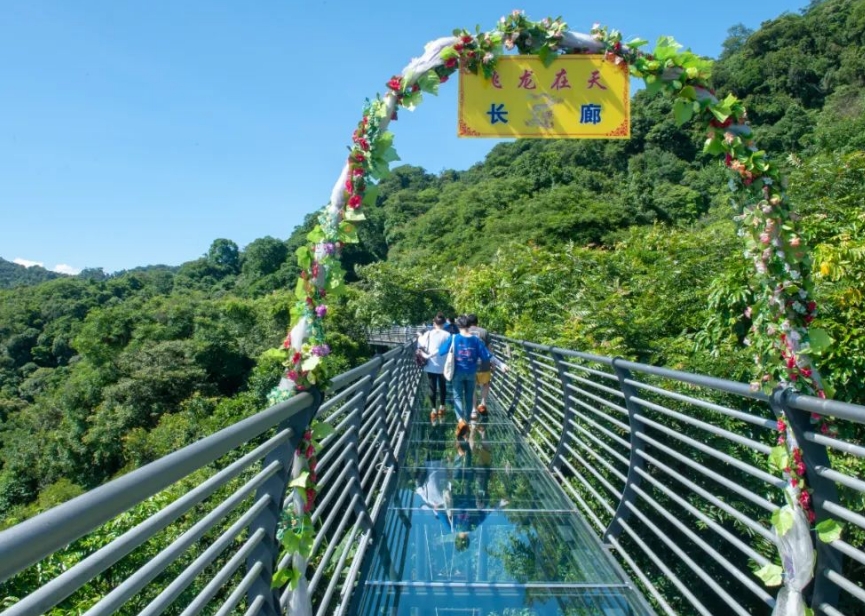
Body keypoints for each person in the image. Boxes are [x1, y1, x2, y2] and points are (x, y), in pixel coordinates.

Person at [439, 315, 508, 433]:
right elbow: (487, 355)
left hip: (457, 373)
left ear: (458, 325)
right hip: (471, 372)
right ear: (468, 325)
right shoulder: (476, 340)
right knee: (469, 397)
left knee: (457, 396)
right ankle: (466, 420)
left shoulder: (454, 337)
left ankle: (461, 421)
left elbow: (441, 351)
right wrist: (501, 364)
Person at [417, 313, 451, 421]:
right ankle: (442, 407)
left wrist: (419, 336)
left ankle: (433, 410)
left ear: (434, 323)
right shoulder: (447, 335)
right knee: (442, 385)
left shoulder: (428, 333)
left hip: (431, 364)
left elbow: (420, 345)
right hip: (443, 365)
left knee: (432, 386)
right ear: (444, 323)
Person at [466, 314, 494, 417]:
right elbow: (490, 348)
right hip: (484, 363)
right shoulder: (484, 332)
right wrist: (492, 362)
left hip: (470, 364)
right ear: (477, 322)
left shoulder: (465, 332)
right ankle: (483, 404)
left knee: (472, 386)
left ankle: (473, 410)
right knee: (485, 383)